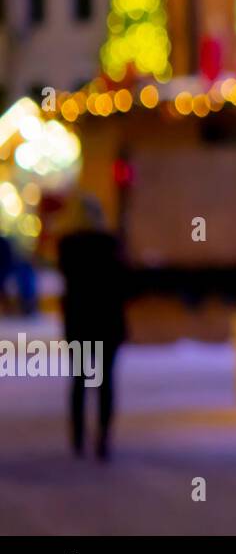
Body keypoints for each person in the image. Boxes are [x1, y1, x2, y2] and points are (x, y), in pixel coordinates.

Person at [56, 196, 129, 461]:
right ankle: (103, 438)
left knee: (80, 380)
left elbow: (67, 278)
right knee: (106, 381)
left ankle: (77, 439)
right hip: (108, 321)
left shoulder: (67, 245)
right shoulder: (111, 244)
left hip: (80, 322)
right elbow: (123, 282)